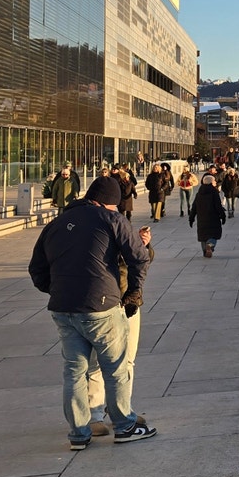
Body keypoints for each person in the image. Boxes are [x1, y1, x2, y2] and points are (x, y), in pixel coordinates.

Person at [28, 176, 157, 450]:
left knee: (74, 371)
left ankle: (78, 434)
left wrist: (58, 291)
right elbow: (139, 258)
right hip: (101, 306)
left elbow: (36, 270)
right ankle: (125, 426)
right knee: (116, 368)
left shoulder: (56, 223)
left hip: (63, 309)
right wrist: (134, 293)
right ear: (109, 202)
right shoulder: (112, 219)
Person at [86, 213, 154, 437]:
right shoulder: (92, 238)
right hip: (104, 306)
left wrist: (143, 245)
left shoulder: (121, 231)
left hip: (129, 302)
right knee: (98, 361)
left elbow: (143, 261)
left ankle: (123, 410)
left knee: (128, 359)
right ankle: (95, 414)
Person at [189, 174, 226, 258]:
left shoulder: (199, 193)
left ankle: (205, 251)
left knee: (203, 236)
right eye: (214, 181)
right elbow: (218, 206)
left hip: (202, 218)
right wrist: (223, 216)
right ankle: (210, 246)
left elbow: (194, 207)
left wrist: (191, 218)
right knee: (213, 235)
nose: (215, 182)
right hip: (213, 218)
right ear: (210, 182)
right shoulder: (214, 193)